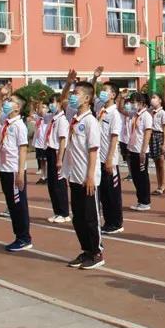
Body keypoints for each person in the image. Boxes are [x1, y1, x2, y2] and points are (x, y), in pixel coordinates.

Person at [64, 82, 104, 269]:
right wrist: (67, 83)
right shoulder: (74, 117)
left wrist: (90, 177)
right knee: (78, 218)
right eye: (72, 93)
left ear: (87, 98)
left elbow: (93, 151)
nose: (73, 96)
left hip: (87, 178)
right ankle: (86, 250)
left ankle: (97, 252)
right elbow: (63, 101)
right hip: (74, 176)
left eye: (76, 93)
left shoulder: (90, 122)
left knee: (90, 217)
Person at [0, 86, 33, 252]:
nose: (7, 103)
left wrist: (20, 173)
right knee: (11, 204)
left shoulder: (19, 126)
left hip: (14, 170)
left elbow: (23, 149)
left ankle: (24, 238)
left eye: (11, 101)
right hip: (4, 168)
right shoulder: (6, 120)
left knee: (18, 205)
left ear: (18, 107)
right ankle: (19, 236)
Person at [97, 81, 124, 234]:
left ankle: (116, 223)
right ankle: (108, 222)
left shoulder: (115, 114)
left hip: (109, 160)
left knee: (113, 194)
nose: (102, 93)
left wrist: (109, 159)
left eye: (105, 90)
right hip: (99, 158)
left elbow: (114, 138)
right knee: (104, 194)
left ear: (113, 95)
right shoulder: (101, 111)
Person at [44, 92, 71, 223]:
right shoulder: (53, 118)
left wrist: (60, 159)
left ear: (60, 104)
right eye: (50, 102)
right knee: (52, 184)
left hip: (57, 152)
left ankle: (64, 212)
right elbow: (40, 112)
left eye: (53, 102)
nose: (51, 105)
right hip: (50, 151)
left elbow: (62, 140)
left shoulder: (62, 120)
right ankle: (57, 211)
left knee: (59, 183)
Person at [127, 92, 153, 211]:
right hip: (133, 149)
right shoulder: (135, 114)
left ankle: (145, 201)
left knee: (142, 177)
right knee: (136, 177)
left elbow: (147, 133)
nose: (132, 104)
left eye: (134, 102)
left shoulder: (146, 116)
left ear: (141, 103)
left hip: (141, 151)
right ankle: (140, 200)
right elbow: (122, 110)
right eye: (131, 102)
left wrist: (143, 151)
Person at [150, 94, 165, 196]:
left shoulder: (163, 113)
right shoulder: (150, 112)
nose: (152, 100)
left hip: (160, 136)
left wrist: (164, 143)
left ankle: (163, 186)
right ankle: (159, 186)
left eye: (154, 98)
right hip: (152, 136)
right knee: (157, 163)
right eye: (151, 98)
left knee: (161, 162)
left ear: (160, 100)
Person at [31, 96, 49, 185]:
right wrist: (32, 103)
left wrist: (40, 100)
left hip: (46, 143)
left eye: (45, 107)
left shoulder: (47, 118)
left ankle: (48, 177)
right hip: (38, 143)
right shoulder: (38, 118)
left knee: (47, 161)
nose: (43, 109)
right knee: (41, 161)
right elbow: (32, 113)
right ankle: (43, 176)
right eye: (42, 107)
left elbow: (40, 112)